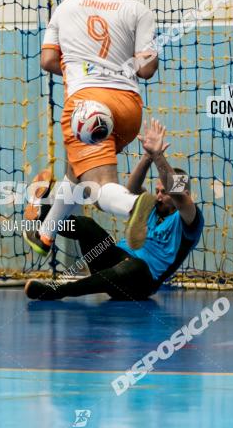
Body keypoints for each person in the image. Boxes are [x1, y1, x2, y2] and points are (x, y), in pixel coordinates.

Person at [24, 0, 160, 257]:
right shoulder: (140, 10)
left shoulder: (68, 5)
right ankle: (44, 235)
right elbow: (147, 69)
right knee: (76, 170)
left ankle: (132, 204)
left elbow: (47, 61)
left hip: (87, 107)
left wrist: (80, 70)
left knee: (98, 188)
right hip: (128, 110)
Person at [24, 119, 203, 301]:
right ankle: (41, 213)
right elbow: (132, 189)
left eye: (164, 192)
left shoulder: (189, 220)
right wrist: (148, 157)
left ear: (185, 194)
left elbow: (178, 194)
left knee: (134, 266)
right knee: (87, 225)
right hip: (113, 261)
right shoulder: (151, 205)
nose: (158, 196)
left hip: (140, 281)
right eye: (156, 190)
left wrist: (159, 156)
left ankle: (56, 291)